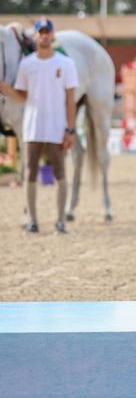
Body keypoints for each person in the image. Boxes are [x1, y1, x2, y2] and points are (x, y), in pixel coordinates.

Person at [0, 18, 77, 235]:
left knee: (60, 173)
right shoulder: (27, 65)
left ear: (52, 35)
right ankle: (32, 220)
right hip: (32, 126)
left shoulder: (66, 64)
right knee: (30, 172)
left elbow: (70, 99)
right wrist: (5, 89)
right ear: (34, 36)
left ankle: (60, 221)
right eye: (40, 32)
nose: (44, 35)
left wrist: (70, 129)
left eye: (47, 31)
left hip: (56, 126)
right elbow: (23, 97)